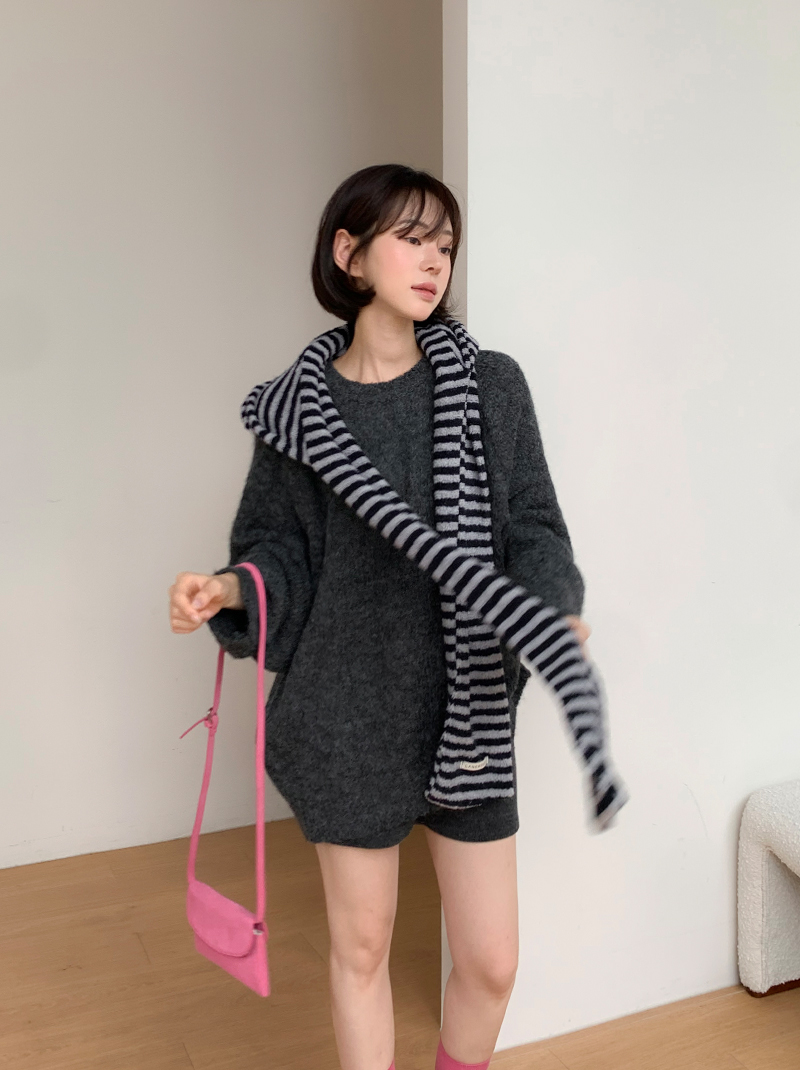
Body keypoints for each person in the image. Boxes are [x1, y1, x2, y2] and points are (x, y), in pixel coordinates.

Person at [169, 164, 591, 1070]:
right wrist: (229, 589)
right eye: (412, 238)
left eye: (446, 245)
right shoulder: (297, 414)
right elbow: (277, 548)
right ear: (349, 253)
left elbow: (532, 528)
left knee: (491, 962)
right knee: (361, 951)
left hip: (466, 709)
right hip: (347, 711)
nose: (435, 260)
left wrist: (550, 608)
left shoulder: (491, 387)